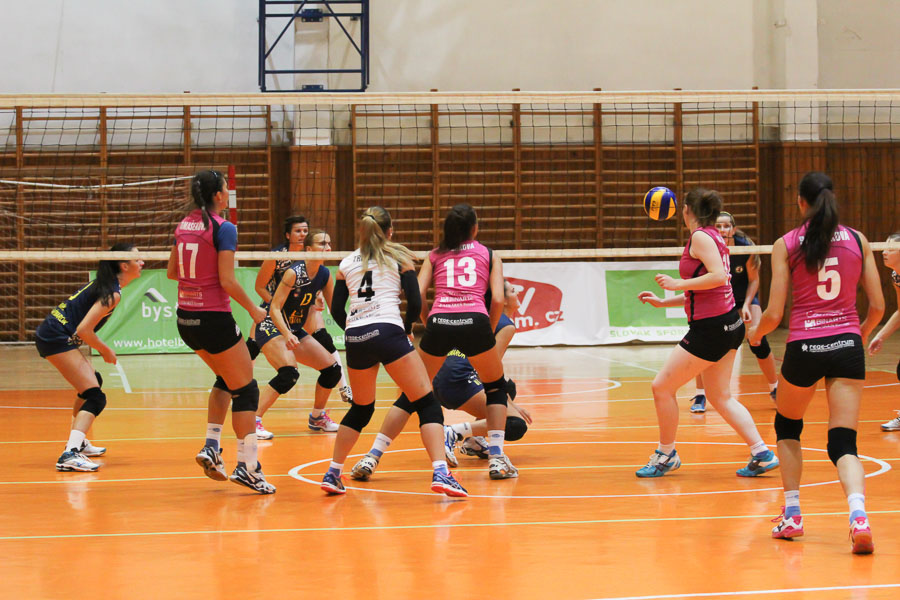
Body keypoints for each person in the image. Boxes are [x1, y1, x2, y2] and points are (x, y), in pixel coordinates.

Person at [750, 171, 883, 554]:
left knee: (787, 426)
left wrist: (756, 334)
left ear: (800, 202)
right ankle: (858, 516)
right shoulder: (858, 240)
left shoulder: (786, 244)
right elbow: (877, 306)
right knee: (843, 443)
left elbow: (774, 313)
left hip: (805, 347)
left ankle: (792, 514)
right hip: (847, 346)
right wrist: (856, 333)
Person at [320, 206, 467, 497]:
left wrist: (353, 327)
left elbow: (336, 308)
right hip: (388, 330)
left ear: (362, 231)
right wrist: (407, 327)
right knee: (425, 402)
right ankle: (441, 473)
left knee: (361, 408)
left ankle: (333, 473)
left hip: (356, 335)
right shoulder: (399, 256)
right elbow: (415, 300)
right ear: (389, 232)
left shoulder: (346, 263)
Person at [636, 188, 779, 479]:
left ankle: (666, 454)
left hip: (711, 329)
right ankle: (762, 453)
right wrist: (665, 301)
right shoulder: (713, 236)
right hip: (727, 324)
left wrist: (676, 284)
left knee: (661, 387)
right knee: (720, 396)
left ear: (687, 210)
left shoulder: (701, 237)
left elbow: (718, 277)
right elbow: (707, 288)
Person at [350, 280, 530, 480]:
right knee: (515, 423)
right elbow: (491, 374)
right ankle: (455, 433)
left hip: (437, 372)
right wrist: (511, 406)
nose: (517, 293)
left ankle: (371, 456)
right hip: (458, 382)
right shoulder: (504, 325)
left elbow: (419, 292)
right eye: (513, 291)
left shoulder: (450, 312)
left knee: (407, 400)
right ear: (501, 299)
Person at [168, 169, 274, 494]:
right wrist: (253, 309)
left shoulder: (183, 225)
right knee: (247, 391)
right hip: (214, 319)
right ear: (217, 195)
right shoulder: (224, 228)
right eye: (226, 189)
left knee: (227, 380)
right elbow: (227, 280)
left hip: (185, 319)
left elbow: (172, 272)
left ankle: (212, 446)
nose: (228, 194)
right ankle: (248, 468)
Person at [415, 203, 516, 480]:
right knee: (497, 387)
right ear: (474, 228)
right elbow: (497, 299)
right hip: (475, 320)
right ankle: (497, 459)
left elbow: (417, 293)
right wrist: (488, 330)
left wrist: (428, 320)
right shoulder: (489, 254)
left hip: (440, 320)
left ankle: (373, 454)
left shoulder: (435, 254)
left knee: (416, 391)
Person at [36, 243, 144, 471]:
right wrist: (105, 350)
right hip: (55, 337)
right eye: (137, 260)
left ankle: (79, 442)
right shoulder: (111, 293)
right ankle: (70, 453)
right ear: (124, 266)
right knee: (95, 397)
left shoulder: (107, 285)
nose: (142, 262)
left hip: (53, 333)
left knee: (93, 383)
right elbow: (84, 330)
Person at [689, 212, 779, 413]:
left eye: (727, 226)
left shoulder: (746, 247)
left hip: (743, 298)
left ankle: (775, 388)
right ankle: (701, 394)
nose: (722, 230)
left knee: (758, 340)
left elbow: (754, 280)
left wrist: (746, 305)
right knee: (705, 341)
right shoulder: (707, 247)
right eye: (718, 226)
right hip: (720, 299)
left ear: (734, 229)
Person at [261, 229, 343, 434]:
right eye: (322, 244)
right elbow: (274, 308)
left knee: (332, 370)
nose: (328, 248)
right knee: (289, 373)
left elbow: (336, 310)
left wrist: (354, 328)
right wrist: (287, 334)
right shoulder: (294, 273)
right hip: (272, 326)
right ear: (308, 249)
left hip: (294, 330)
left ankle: (317, 417)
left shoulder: (325, 274)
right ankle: (253, 420)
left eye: (329, 243)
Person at [869, 232, 900, 431]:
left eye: (890, 248)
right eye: (884, 247)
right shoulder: (897, 275)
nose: (884, 252)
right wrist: (880, 336)